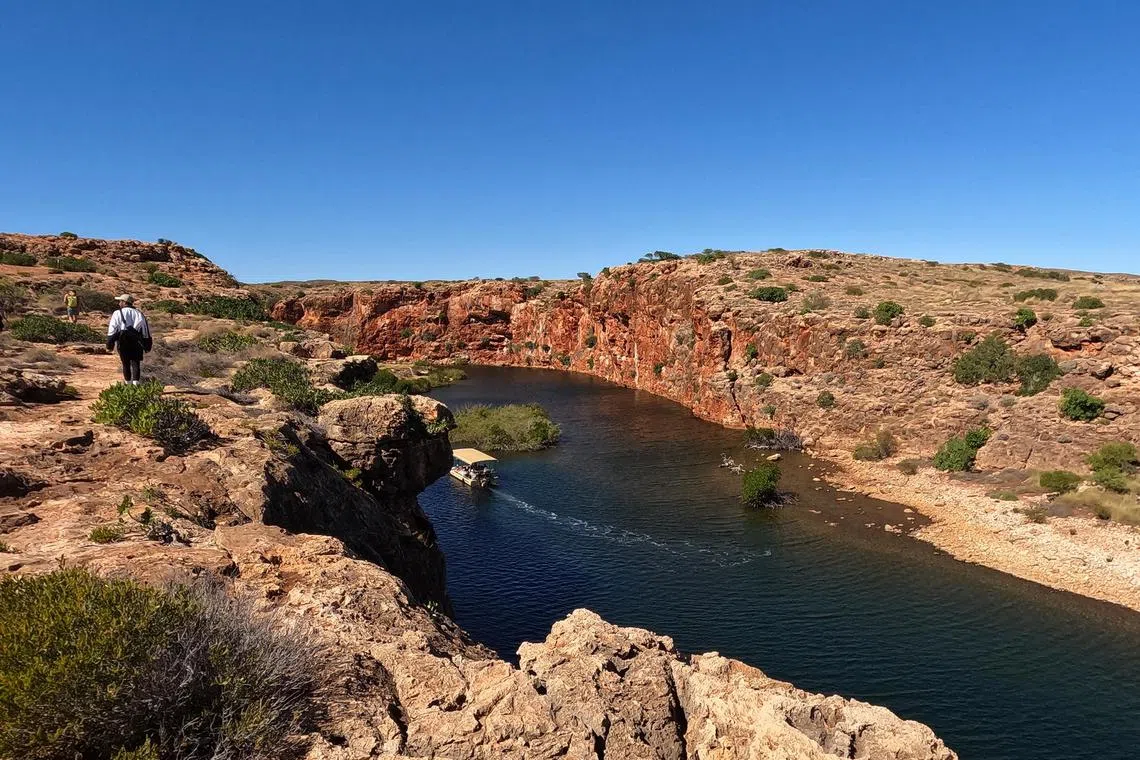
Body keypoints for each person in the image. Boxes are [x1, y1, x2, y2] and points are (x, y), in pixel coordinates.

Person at [106, 295, 152, 385]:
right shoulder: (139, 313)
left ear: (124, 302)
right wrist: (147, 344)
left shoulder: (117, 313)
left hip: (122, 340)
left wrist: (109, 344)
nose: (119, 303)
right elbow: (145, 329)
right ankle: (136, 384)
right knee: (136, 362)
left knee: (125, 363)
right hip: (136, 340)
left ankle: (127, 384)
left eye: (120, 301)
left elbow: (112, 328)